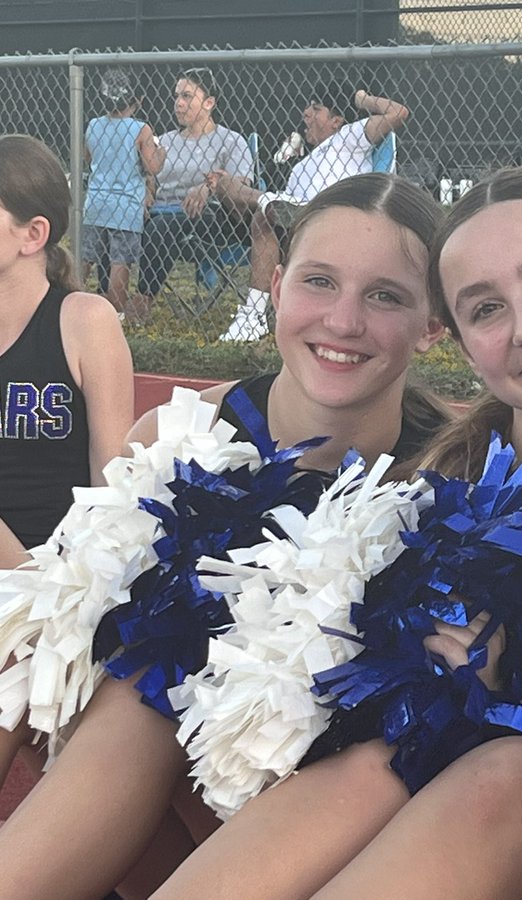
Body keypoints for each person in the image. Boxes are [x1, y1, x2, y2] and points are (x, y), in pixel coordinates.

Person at [153, 166, 522, 899]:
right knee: (384, 753)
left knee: (508, 777)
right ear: (458, 341)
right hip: (444, 860)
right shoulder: (413, 513)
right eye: (486, 308)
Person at [0, 172, 449, 900]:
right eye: (319, 282)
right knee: (140, 680)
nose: (342, 320)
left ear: (435, 324)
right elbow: (45, 638)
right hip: (146, 805)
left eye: (386, 295)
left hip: (321, 830)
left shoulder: (452, 477)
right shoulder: (180, 439)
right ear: (275, 287)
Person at [0, 132, 134, 791]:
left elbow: (115, 487)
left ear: (32, 235)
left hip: (66, 580)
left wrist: (58, 598)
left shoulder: (84, 319)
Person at [208, 86, 411, 343]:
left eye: (316, 109)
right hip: (291, 225)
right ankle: (265, 202)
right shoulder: (300, 167)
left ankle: (253, 314)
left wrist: (360, 98)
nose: (306, 114)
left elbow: (398, 112)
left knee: (266, 215)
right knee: (230, 186)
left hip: (331, 220)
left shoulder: (350, 137)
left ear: (336, 121)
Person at [132, 67, 255, 313]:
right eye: (177, 96)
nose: (178, 103)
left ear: (209, 102)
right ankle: (106, 294)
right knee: (111, 219)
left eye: (187, 96)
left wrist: (208, 187)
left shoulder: (230, 141)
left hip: (211, 218)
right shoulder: (165, 140)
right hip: (159, 212)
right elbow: (149, 176)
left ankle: (141, 301)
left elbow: (243, 185)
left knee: (161, 227)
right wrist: (147, 190)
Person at [81, 67, 164, 321]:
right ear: (138, 99)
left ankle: (70, 296)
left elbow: (89, 158)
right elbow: (152, 166)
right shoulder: (141, 129)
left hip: (95, 202)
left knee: (86, 256)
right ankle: (116, 311)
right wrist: (161, 152)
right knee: (120, 260)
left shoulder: (94, 125)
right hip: (126, 206)